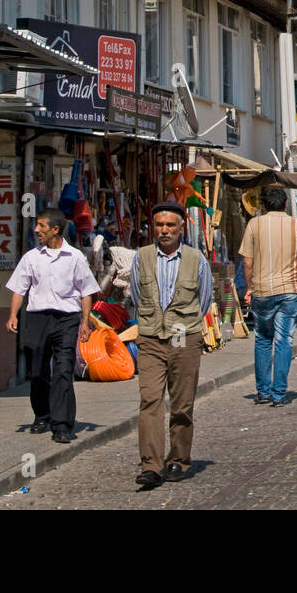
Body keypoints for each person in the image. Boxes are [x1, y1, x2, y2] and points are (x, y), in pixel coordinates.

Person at [133, 202, 214, 488]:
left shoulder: (196, 258)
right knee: (150, 401)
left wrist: (185, 325)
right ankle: (152, 466)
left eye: (170, 225)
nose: (164, 230)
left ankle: (178, 459)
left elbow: (204, 299)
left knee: (181, 404)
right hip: (151, 338)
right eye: (159, 225)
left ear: (182, 228)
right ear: (153, 227)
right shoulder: (141, 257)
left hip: (184, 337)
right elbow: (136, 293)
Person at [5, 208, 99, 444]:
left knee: (63, 370)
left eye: (41, 226)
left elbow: (87, 291)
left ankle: (62, 425)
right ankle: (42, 414)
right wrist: (13, 315)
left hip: (67, 319)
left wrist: (85, 322)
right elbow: (19, 288)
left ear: (55, 230)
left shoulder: (75, 257)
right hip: (37, 318)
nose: (36, 230)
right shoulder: (31, 257)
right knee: (37, 371)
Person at [240, 187, 297, 406]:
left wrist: (249, 287)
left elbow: (247, 262)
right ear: (285, 204)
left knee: (263, 339)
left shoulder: (253, 225)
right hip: (289, 291)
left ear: (264, 205)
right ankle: (278, 393)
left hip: (262, 291)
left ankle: (263, 391)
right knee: (284, 340)